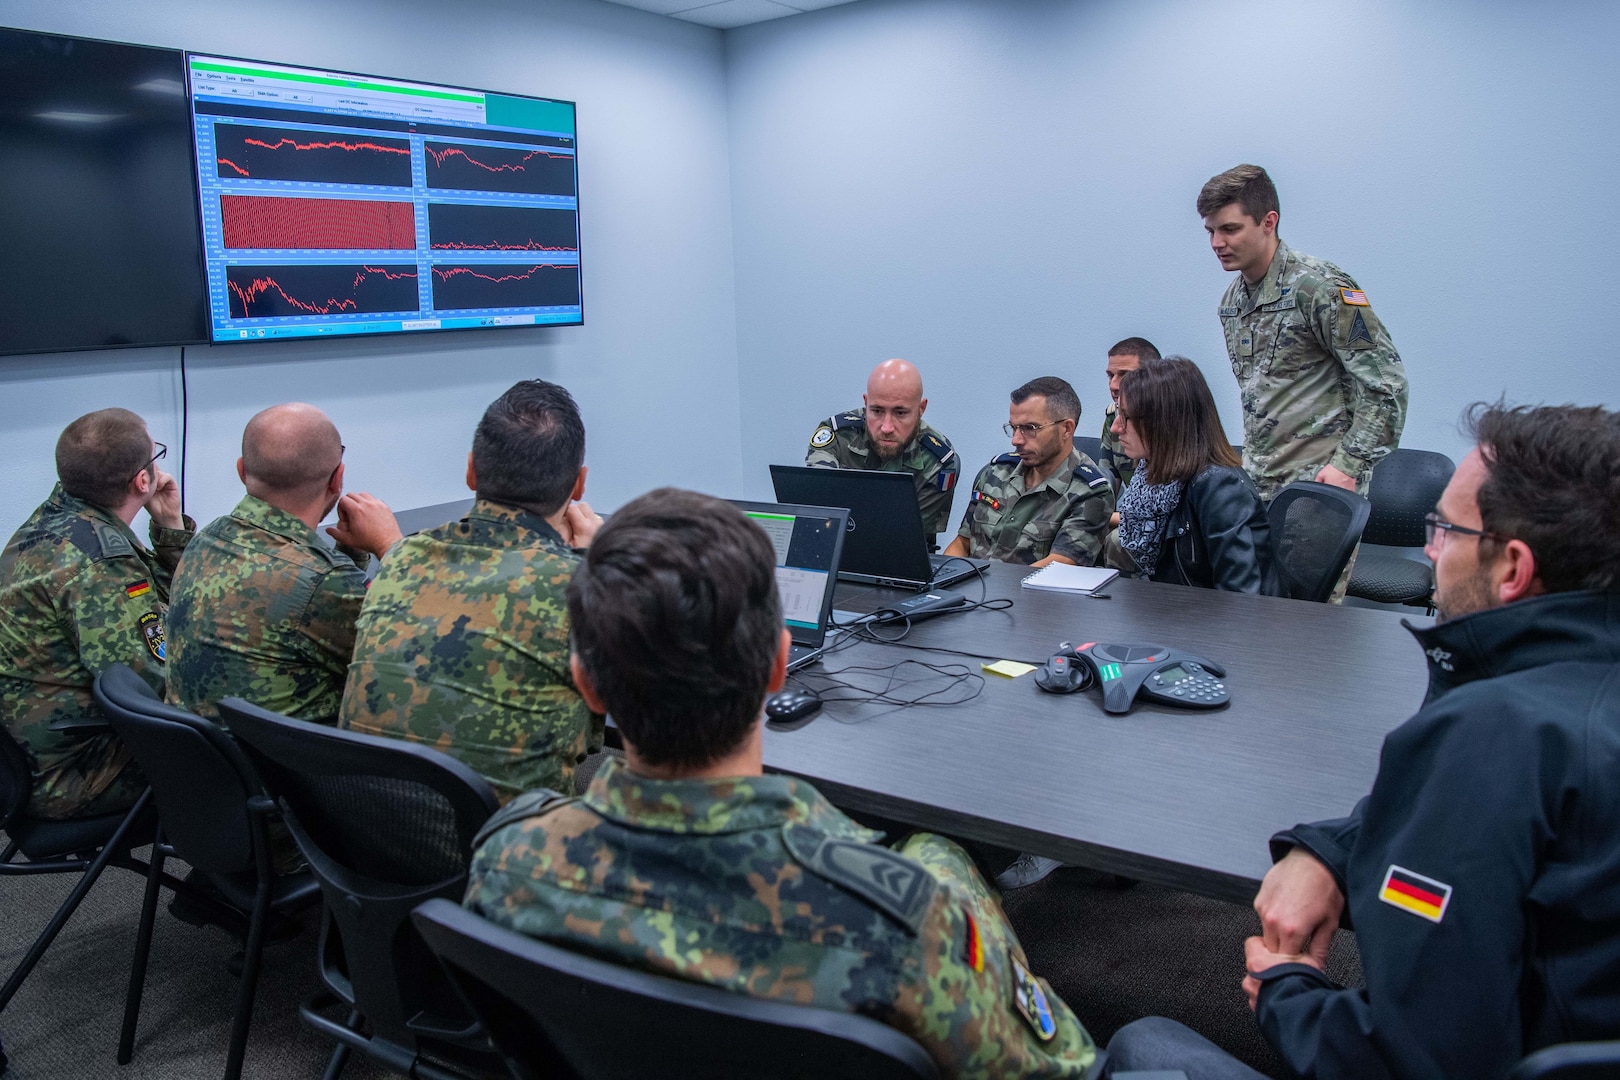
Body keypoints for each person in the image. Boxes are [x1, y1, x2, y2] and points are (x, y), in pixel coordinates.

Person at [463, 487, 1099, 1078]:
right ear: (777, 667)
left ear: (587, 684)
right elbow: (1057, 1066)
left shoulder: (505, 860)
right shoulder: (900, 918)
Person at [1104, 403, 1620, 1079]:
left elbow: (1412, 1059)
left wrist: (1286, 987)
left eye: (1446, 530)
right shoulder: (1559, 707)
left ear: (1512, 568)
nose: (1432, 550)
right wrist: (1323, 850)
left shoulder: (1491, 733)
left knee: (1140, 1045)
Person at [339, 380, 604, 803]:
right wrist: (596, 564)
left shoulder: (401, 559)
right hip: (504, 856)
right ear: (579, 486)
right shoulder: (576, 587)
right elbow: (625, 716)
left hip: (364, 845)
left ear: (471, 471)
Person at [0, 408, 193, 820]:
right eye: (154, 456)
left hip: (32, 752)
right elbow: (155, 686)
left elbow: (157, 608)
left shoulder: (56, 519)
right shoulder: (99, 562)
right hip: (72, 774)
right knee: (257, 748)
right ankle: (244, 877)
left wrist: (170, 524)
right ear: (143, 480)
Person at [165, 403, 402, 722]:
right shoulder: (322, 581)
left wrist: (348, 553)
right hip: (299, 767)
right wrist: (392, 547)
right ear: (337, 479)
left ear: (242, 471)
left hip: (218, 761)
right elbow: (427, 654)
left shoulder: (208, 539)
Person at [1200, 164, 1408, 504]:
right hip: (1259, 484)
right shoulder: (1232, 302)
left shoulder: (1319, 289)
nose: (1217, 243)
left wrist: (1349, 465)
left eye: (1230, 229)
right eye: (1210, 231)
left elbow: (1387, 387)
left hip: (1319, 485)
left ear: (1269, 222)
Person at [1106, 357, 1279, 594]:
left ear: (1164, 422)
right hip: (1177, 612)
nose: (1116, 428)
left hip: (1212, 624)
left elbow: (1242, 598)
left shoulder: (1218, 487)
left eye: (1126, 417)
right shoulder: (1155, 479)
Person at [944, 376, 1114, 568]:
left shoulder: (1089, 491)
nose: (1016, 440)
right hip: (974, 588)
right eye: (1014, 428)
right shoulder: (996, 472)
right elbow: (963, 542)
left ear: (1066, 429)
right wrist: (946, 579)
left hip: (1031, 594)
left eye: (1029, 428)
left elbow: (1059, 565)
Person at [806, 358, 960, 542]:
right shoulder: (838, 435)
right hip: (829, 547)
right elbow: (817, 507)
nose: (886, 427)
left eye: (900, 413)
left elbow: (908, 540)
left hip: (898, 561)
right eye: (877, 411)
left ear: (921, 409)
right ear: (866, 403)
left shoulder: (937, 461)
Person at [1097, 336, 1161, 493]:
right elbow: (1105, 489)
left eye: (1125, 375)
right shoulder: (1114, 418)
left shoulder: (1172, 422)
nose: (1113, 385)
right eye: (1111, 376)